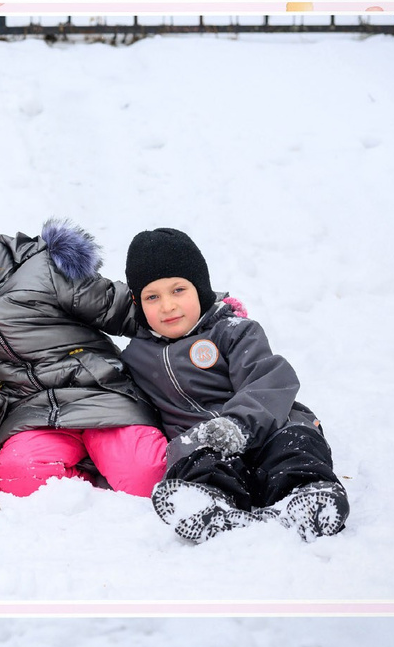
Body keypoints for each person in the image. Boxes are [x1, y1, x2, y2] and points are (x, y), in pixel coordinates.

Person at [0, 187, 168, 501]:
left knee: (147, 475)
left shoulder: (41, 268)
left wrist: (204, 313)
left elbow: (122, 308)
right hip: (31, 415)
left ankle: (120, 461)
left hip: (102, 396)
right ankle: (89, 474)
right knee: (20, 480)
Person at [121, 227, 349, 544]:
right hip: (206, 443)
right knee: (197, 462)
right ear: (137, 303)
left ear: (200, 288)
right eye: (152, 297)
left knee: (295, 442)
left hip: (267, 426)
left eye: (178, 290)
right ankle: (210, 505)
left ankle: (307, 496)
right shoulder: (135, 358)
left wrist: (239, 424)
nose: (167, 306)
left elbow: (269, 378)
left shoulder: (232, 331)